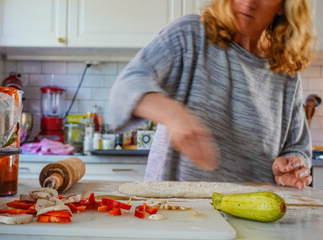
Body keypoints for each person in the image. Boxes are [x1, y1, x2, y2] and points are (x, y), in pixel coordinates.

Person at [109, 0, 316, 189]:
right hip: (174, 214)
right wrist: (173, 114)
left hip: (252, 219)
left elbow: (296, 147)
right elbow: (125, 87)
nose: (248, 2)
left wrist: (290, 167)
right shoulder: (190, 35)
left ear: (283, 5)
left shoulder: (286, 73)